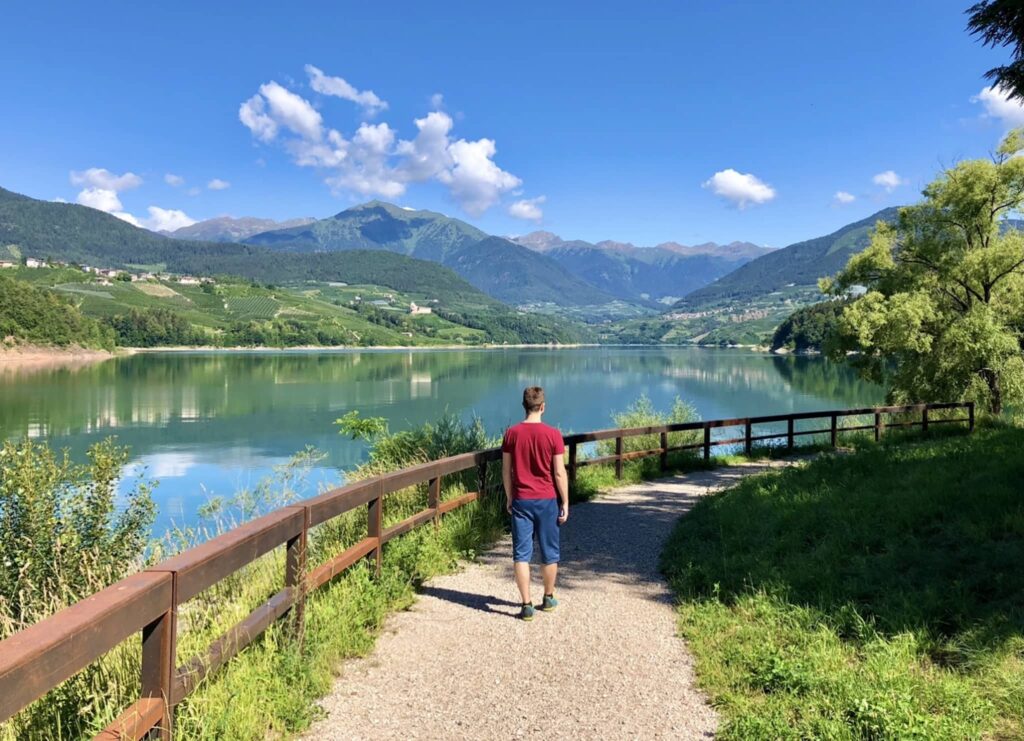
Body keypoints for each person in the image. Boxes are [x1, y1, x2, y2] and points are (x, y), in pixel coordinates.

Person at [501, 386, 569, 621]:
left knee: (521, 554)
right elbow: (559, 473)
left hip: (521, 499)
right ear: (543, 407)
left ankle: (526, 604)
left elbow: (506, 471)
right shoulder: (553, 435)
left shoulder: (512, 433)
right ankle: (548, 597)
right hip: (547, 500)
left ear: (524, 406)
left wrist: (510, 497)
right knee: (550, 552)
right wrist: (566, 501)